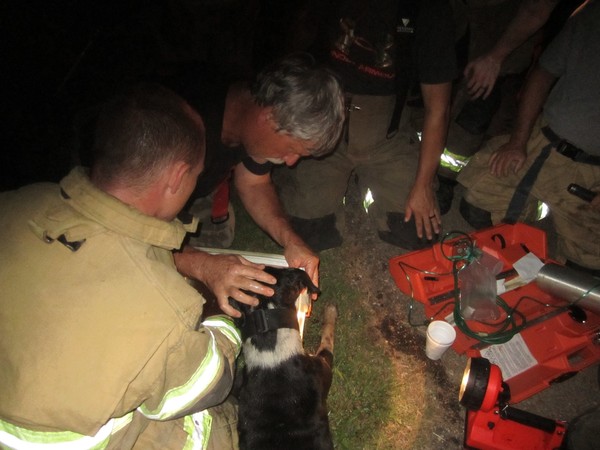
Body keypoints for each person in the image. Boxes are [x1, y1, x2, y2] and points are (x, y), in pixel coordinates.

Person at [0, 83, 243, 449]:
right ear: (178, 177)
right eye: (196, 175)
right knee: (207, 427)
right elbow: (210, 382)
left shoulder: (19, 202)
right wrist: (227, 324)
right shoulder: (158, 306)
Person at [164, 53, 345, 313]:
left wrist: (290, 240)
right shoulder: (181, 126)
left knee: (218, 238)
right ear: (268, 116)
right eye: (293, 149)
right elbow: (135, 225)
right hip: (126, 198)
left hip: (177, 184)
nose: (291, 162)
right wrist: (203, 265)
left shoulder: (248, 114)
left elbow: (254, 183)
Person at [274, 0, 458, 251]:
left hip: (387, 137)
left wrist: (423, 185)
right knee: (308, 233)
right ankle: (331, 186)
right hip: (325, 130)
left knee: (415, 234)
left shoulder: (428, 9)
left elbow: (438, 109)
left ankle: (370, 189)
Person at [457, 0, 600, 275]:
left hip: (593, 173)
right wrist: (517, 142)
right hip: (545, 144)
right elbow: (543, 73)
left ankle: (549, 228)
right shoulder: (591, 13)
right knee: (475, 200)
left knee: (585, 272)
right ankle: (531, 220)